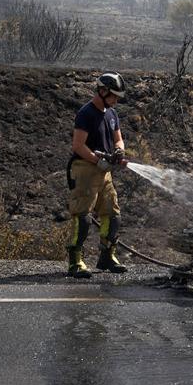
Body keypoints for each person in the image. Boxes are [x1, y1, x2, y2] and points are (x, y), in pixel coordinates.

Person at [65, 72, 129, 278]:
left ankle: (107, 257)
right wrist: (96, 160)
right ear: (102, 91)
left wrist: (119, 151)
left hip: (104, 172)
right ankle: (76, 262)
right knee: (83, 217)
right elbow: (78, 145)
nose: (116, 100)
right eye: (114, 96)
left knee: (112, 215)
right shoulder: (86, 113)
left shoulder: (111, 114)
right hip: (85, 169)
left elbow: (118, 139)